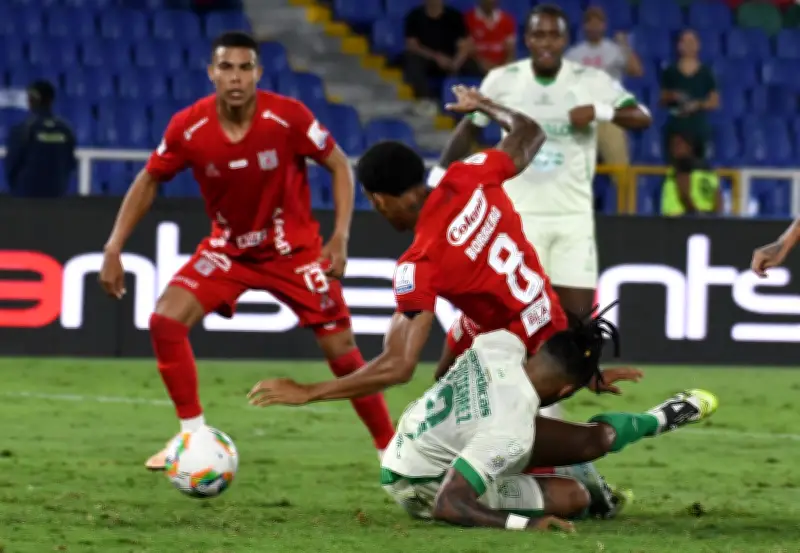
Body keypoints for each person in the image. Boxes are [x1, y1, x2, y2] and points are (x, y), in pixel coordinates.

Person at [248, 84, 644, 516]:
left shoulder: (421, 261)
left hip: (525, 364)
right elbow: (530, 132)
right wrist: (485, 106)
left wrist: (309, 391)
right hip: (556, 333)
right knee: (444, 379)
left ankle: (568, 473)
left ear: (378, 200)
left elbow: (398, 366)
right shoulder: (469, 175)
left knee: (471, 429)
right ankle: (547, 460)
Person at [98, 31, 395, 470]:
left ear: (258, 73)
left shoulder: (288, 117)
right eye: (226, 67)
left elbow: (337, 163)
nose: (235, 77)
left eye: (244, 68)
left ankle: (391, 450)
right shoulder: (188, 127)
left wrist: (340, 236)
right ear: (211, 73)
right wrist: (113, 246)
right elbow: (150, 178)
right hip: (229, 251)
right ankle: (191, 436)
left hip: (292, 252)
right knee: (164, 321)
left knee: (342, 350)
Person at [426, 4, 651, 418]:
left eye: (554, 35)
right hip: (518, 220)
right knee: (513, 321)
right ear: (527, 39)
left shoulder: (589, 81)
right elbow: (471, 127)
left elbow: (642, 116)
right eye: (539, 35)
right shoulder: (503, 80)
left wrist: (600, 112)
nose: (546, 43)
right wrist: (437, 178)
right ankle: (502, 408)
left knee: (578, 325)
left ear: (564, 40)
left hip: (573, 221)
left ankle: (545, 403)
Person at [380, 326, 716, 531]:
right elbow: (449, 503)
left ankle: (661, 417)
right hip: (423, 484)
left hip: (423, 442)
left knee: (597, 438)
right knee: (574, 496)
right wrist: (526, 525)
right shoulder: (510, 429)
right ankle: (576, 477)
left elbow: (461, 330)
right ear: (567, 390)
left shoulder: (499, 344)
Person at [566, 6, 643, 184]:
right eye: (590, 22)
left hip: (610, 117)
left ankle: (627, 203)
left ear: (604, 25)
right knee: (574, 174)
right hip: (584, 117)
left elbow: (637, 70)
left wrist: (625, 46)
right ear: (584, 26)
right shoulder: (574, 54)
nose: (594, 26)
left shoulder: (615, 50)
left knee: (622, 173)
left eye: (598, 22)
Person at [404, 0, 480, 115]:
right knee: (413, 61)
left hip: (452, 59)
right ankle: (425, 100)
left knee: (472, 64)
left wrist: (456, 62)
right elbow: (412, 46)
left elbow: (465, 44)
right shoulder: (414, 16)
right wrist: (436, 58)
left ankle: (481, 100)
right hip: (428, 58)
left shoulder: (454, 16)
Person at [4, 80, 76, 197]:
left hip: (27, 198)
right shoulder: (65, 130)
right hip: (57, 196)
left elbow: (12, 165)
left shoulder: (24, 129)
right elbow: (70, 163)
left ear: (32, 100)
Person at [659, 29, 719, 161]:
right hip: (676, 128)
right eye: (684, 42)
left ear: (698, 45)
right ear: (678, 45)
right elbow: (662, 99)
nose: (688, 45)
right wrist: (673, 96)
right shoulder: (670, 71)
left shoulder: (706, 73)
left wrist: (697, 104)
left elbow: (714, 102)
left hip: (698, 128)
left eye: (691, 41)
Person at [660, 132, 721, 216]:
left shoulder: (682, 167)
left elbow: (684, 195)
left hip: (679, 217)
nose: (674, 148)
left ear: (689, 147)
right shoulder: (709, 170)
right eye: (673, 145)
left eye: (678, 144)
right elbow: (718, 199)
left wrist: (696, 215)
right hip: (706, 218)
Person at [464, 0, 517, 74]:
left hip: (501, 69)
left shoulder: (507, 20)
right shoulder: (467, 19)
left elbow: (510, 52)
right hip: (476, 70)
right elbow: (468, 51)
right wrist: (487, 67)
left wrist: (504, 68)